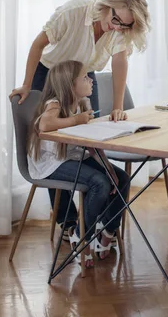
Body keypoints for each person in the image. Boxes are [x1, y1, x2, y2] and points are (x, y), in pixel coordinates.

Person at [10, 0, 150, 238]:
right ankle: (67, 221)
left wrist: (118, 106)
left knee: (87, 137)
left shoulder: (120, 27)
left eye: (125, 25)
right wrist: (28, 85)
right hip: (51, 73)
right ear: (106, 6)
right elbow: (38, 44)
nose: (117, 27)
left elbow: (120, 61)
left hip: (83, 74)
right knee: (54, 146)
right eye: (115, 19)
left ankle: (94, 221)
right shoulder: (75, 12)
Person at [27, 60, 130, 268]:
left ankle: (107, 229)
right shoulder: (55, 103)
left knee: (122, 179)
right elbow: (45, 124)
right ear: (70, 84)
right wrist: (77, 120)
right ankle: (81, 234)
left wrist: (109, 168)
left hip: (74, 156)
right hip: (50, 164)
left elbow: (91, 143)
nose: (91, 79)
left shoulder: (84, 103)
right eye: (85, 77)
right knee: (99, 183)